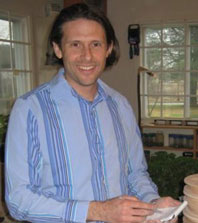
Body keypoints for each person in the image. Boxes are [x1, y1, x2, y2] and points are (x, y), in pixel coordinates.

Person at [5, 3, 179, 223]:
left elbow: (135, 174)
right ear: (58, 49)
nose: (86, 56)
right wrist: (98, 211)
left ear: (108, 49)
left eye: (95, 44)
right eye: (75, 44)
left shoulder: (121, 106)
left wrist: (152, 205)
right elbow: (18, 200)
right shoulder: (30, 109)